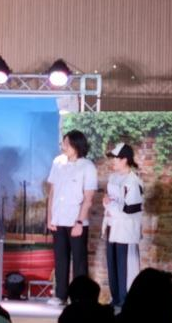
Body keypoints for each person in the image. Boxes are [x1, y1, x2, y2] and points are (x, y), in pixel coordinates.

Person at [46, 129, 97, 306]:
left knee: (79, 261)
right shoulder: (58, 162)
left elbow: (88, 197)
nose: (64, 146)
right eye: (63, 143)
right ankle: (60, 295)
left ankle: (80, 298)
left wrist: (79, 222)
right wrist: (50, 218)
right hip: (58, 219)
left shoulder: (88, 166)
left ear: (76, 145)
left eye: (67, 143)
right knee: (60, 259)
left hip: (76, 220)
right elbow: (52, 192)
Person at [101, 143, 143, 312]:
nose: (113, 161)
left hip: (125, 231)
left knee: (125, 267)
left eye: (116, 158)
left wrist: (110, 205)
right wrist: (108, 203)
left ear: (125, 159)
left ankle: (126, 302)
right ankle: (116, 299)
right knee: (112, 265)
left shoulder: (133, 181)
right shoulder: (113, 178)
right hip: (112, 227)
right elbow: (111, 200)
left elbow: (131, 208)